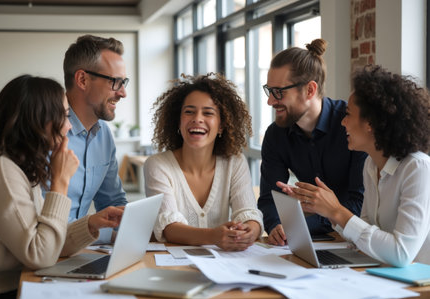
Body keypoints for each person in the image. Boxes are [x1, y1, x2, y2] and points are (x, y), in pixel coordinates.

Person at [0, 75, 123, 299]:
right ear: (38, 119)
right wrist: (60, 182)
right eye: (65, 116)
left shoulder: (20, 165)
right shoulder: (1, 169)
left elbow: (46, 242)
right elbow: (39, 255)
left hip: (24, 283)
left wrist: (91, 224)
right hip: (1, 291)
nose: (68, 126)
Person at [278, 65, 430, 267]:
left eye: (348, 114)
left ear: (370, 123)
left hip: (418, 288)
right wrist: (324, 208)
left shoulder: (417, 168)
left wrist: (337, 211)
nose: (343, 123)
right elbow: (365, 232)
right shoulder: (370, 164)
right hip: (384, 275)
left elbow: (402, 253)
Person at [258, 39, 367, 246]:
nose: (270, 101)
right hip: (310, 242)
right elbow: (269, 198)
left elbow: (360, 203)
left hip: (357, 240)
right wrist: (276, 227)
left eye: (278, 92)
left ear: (310, 90)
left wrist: (300, 227)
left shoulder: (351, 126)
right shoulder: (275, 136)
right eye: (269, 90)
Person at [144, 73, 263, 251]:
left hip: (224, 265)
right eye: (189, 112)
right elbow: (169, 228)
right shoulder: (157, 165)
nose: (197, 119)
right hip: (174, 267)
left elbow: (247, 212)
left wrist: (250, 231)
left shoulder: (234, 162)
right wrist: (213, 237)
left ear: (222, 125)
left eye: (208, 113)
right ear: (178, 121)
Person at [61, 35, 129, 240]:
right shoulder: (46, 132)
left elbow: (113, 201)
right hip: (43, 254)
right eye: (115, 82)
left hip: (79, 249)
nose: (123, 93)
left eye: (124, 82)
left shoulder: (103, 135)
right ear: (82, 80)